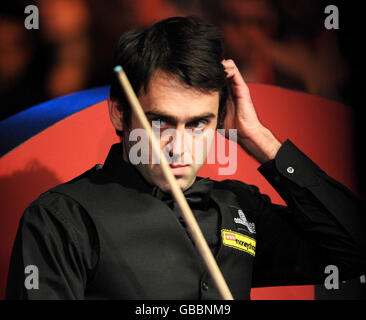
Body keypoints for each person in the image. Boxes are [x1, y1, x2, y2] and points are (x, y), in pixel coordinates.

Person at [6, 16, 366, 300]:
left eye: (198, 124)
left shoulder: (238, 207)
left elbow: (353, 249)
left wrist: (260, 140)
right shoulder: (61, 219)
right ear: (119, 112)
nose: (178, 146)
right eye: (160, 122)